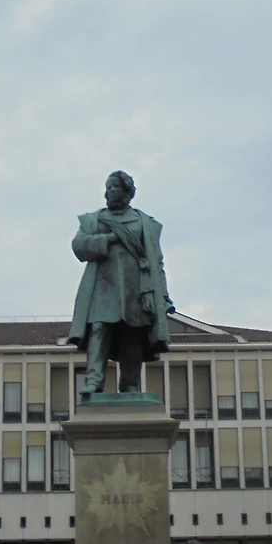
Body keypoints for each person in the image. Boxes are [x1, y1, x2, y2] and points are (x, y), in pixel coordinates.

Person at [67, 169, 175, 397]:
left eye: (115, 187)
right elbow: (79, 246)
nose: (110, 191)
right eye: (108, 188)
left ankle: (130, 384)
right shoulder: (94, 219)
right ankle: (93, 381)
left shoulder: (144, 222)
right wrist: (109, 239)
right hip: (103, 285)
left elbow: (157, 261)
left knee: (132, 333)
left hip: (135, 286)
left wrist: (162, 295)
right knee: (98, 328)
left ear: (127, 191)